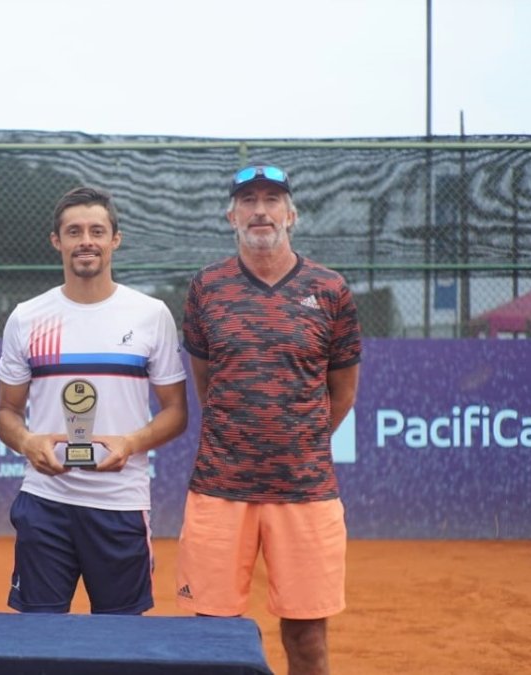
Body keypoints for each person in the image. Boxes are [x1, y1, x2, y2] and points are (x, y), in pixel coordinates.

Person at [177, 165, 361, 675]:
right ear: (231, 214)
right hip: (219, 489)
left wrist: (297, 443)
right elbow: (206, 382)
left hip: (305, 492)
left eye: (273, 199)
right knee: (212, 635)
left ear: (292, 214)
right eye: (249, 200)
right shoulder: (206, 288)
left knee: (307, 640)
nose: (261, 210)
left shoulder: (330, 289)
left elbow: (342, 392)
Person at [0, 186, 188, 615]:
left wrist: (131, 444)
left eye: (97, 231)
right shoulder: (27, 316)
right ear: (56, 241)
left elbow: (176, 413)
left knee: (121, 642)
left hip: (120, 505)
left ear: (114, 239)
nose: (86, 240)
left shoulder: (151, 314)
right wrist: (27, 443)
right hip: (45, 503)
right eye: (74, 231)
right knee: (39, 639)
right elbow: (6, 412)